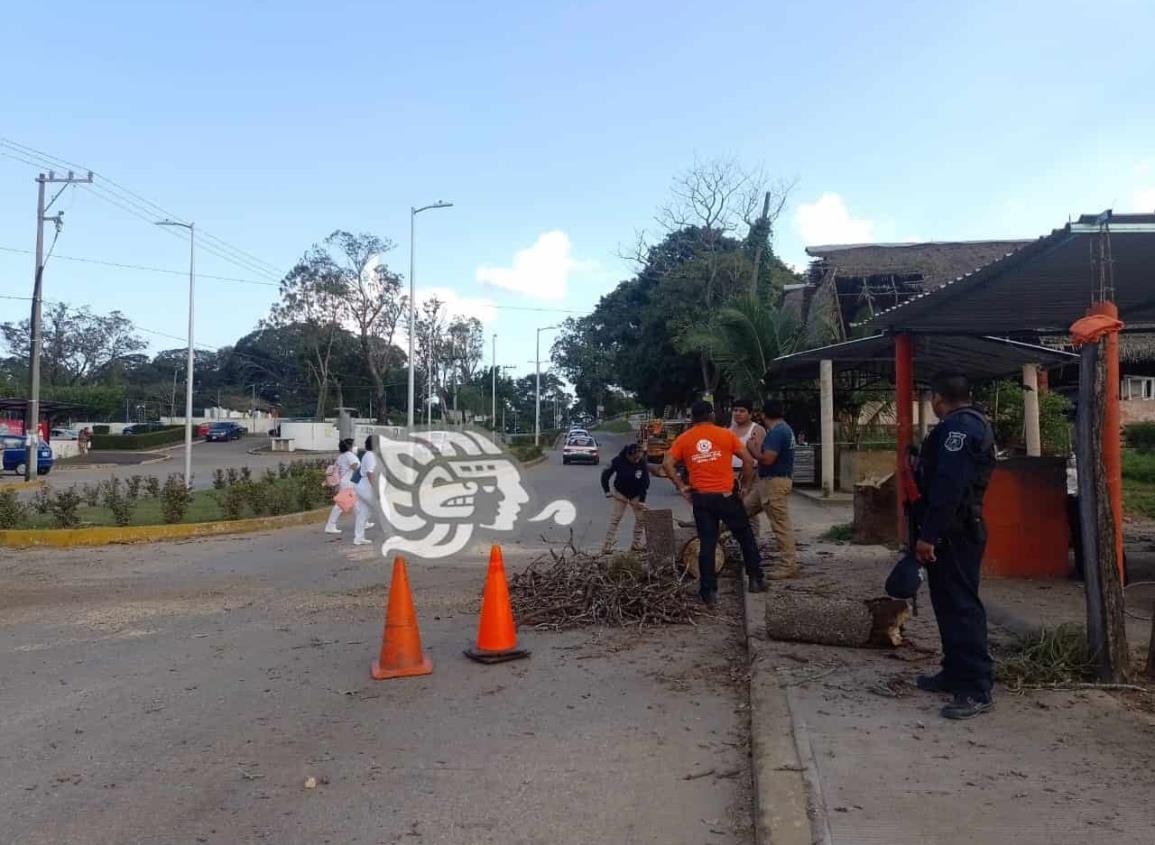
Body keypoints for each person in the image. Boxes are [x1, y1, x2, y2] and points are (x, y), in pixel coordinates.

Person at [912, 371, 997, 720]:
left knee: (961, 606)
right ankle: (954, 671)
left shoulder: (957, 431)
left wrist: (928, 536)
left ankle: (976, 688)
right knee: (947, 604)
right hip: (957, 527)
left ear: (937, 398)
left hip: (955, 531)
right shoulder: (972, 423)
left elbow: (948, 487)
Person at [662, 400, 764, 604]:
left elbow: (667, 463)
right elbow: (748, 461)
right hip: (727, 496)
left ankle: (708, 592)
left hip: (701, 499)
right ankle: (755, 579)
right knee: (745, 537)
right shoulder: (726, 435)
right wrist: (744, 485)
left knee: (707, 543)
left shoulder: (684, 439)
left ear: (692, 418)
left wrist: (681, 486)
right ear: (711, 416)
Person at [746, 400, 799, 580]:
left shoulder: (777, 432)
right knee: (741, 510)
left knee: (780, 525)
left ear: (762, 415)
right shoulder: (784, 429)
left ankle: (788, 565)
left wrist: (752, 449)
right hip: (767, 482)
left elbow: (767, 459)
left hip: (774, 484)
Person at [600, 442, 650, 554]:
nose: (637, 460)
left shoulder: (641, 462)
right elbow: (605, 475)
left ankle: (636, 544)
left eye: (639, 458)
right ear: (629, 455)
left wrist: (642, 500)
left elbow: (645, 482)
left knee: (641, 519)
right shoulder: (617, 461)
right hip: (620, 493)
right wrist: (607, 491)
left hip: (636, 494)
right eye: (635, 458)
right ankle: (607, 546)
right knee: (616, 519)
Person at [324, 438, 359, 535]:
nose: (355, 447)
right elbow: (355, 467)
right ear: (350, 447)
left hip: (345, 482)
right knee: (340, 505)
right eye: (354, 445)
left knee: (356, 503)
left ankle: (362, 522)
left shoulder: (342, 456)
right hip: (348, 483)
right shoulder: (350, 456)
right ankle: (330, 525)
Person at [353, 434, 379, 546]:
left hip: (362, 486)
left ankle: (359, 538)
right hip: (366, 487)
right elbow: (370, 473)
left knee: (363, 513)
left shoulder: (369, 455)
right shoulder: (371, 456)